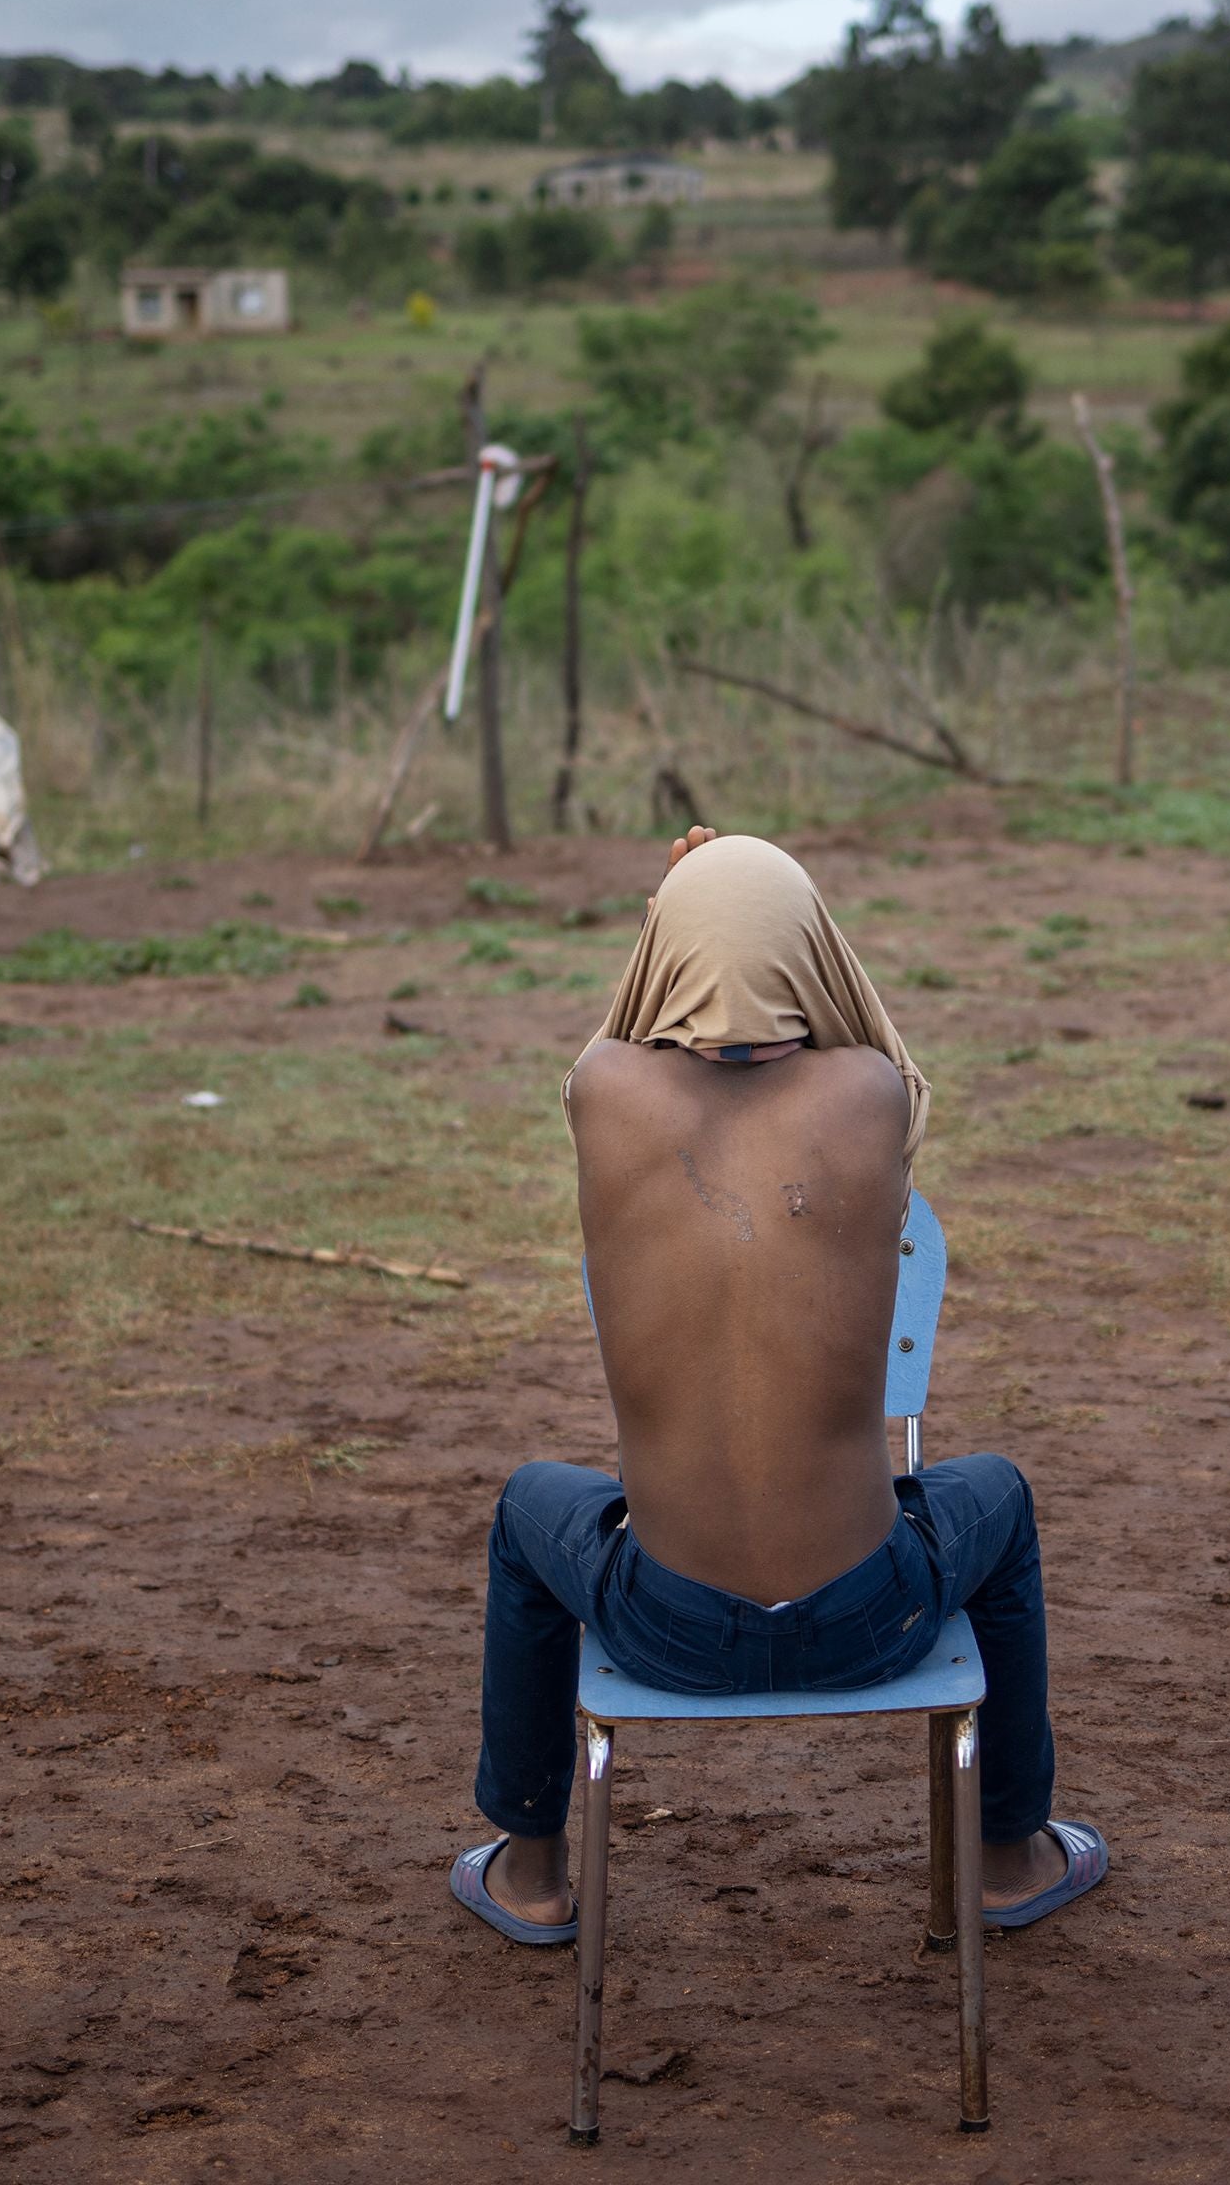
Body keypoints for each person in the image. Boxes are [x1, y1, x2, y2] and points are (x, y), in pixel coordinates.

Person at [452, 828, 1106, 1944]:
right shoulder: (869, 1099)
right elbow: (875, 1037)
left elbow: (623, 1022)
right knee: (997, 1492)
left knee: (528, 1506)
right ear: (818, 948)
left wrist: (677, 901)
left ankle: (529, 1865)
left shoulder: (602, 1093)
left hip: (664, 1620)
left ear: (664, 950)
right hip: (872, 1610)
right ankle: (1006, 1855)